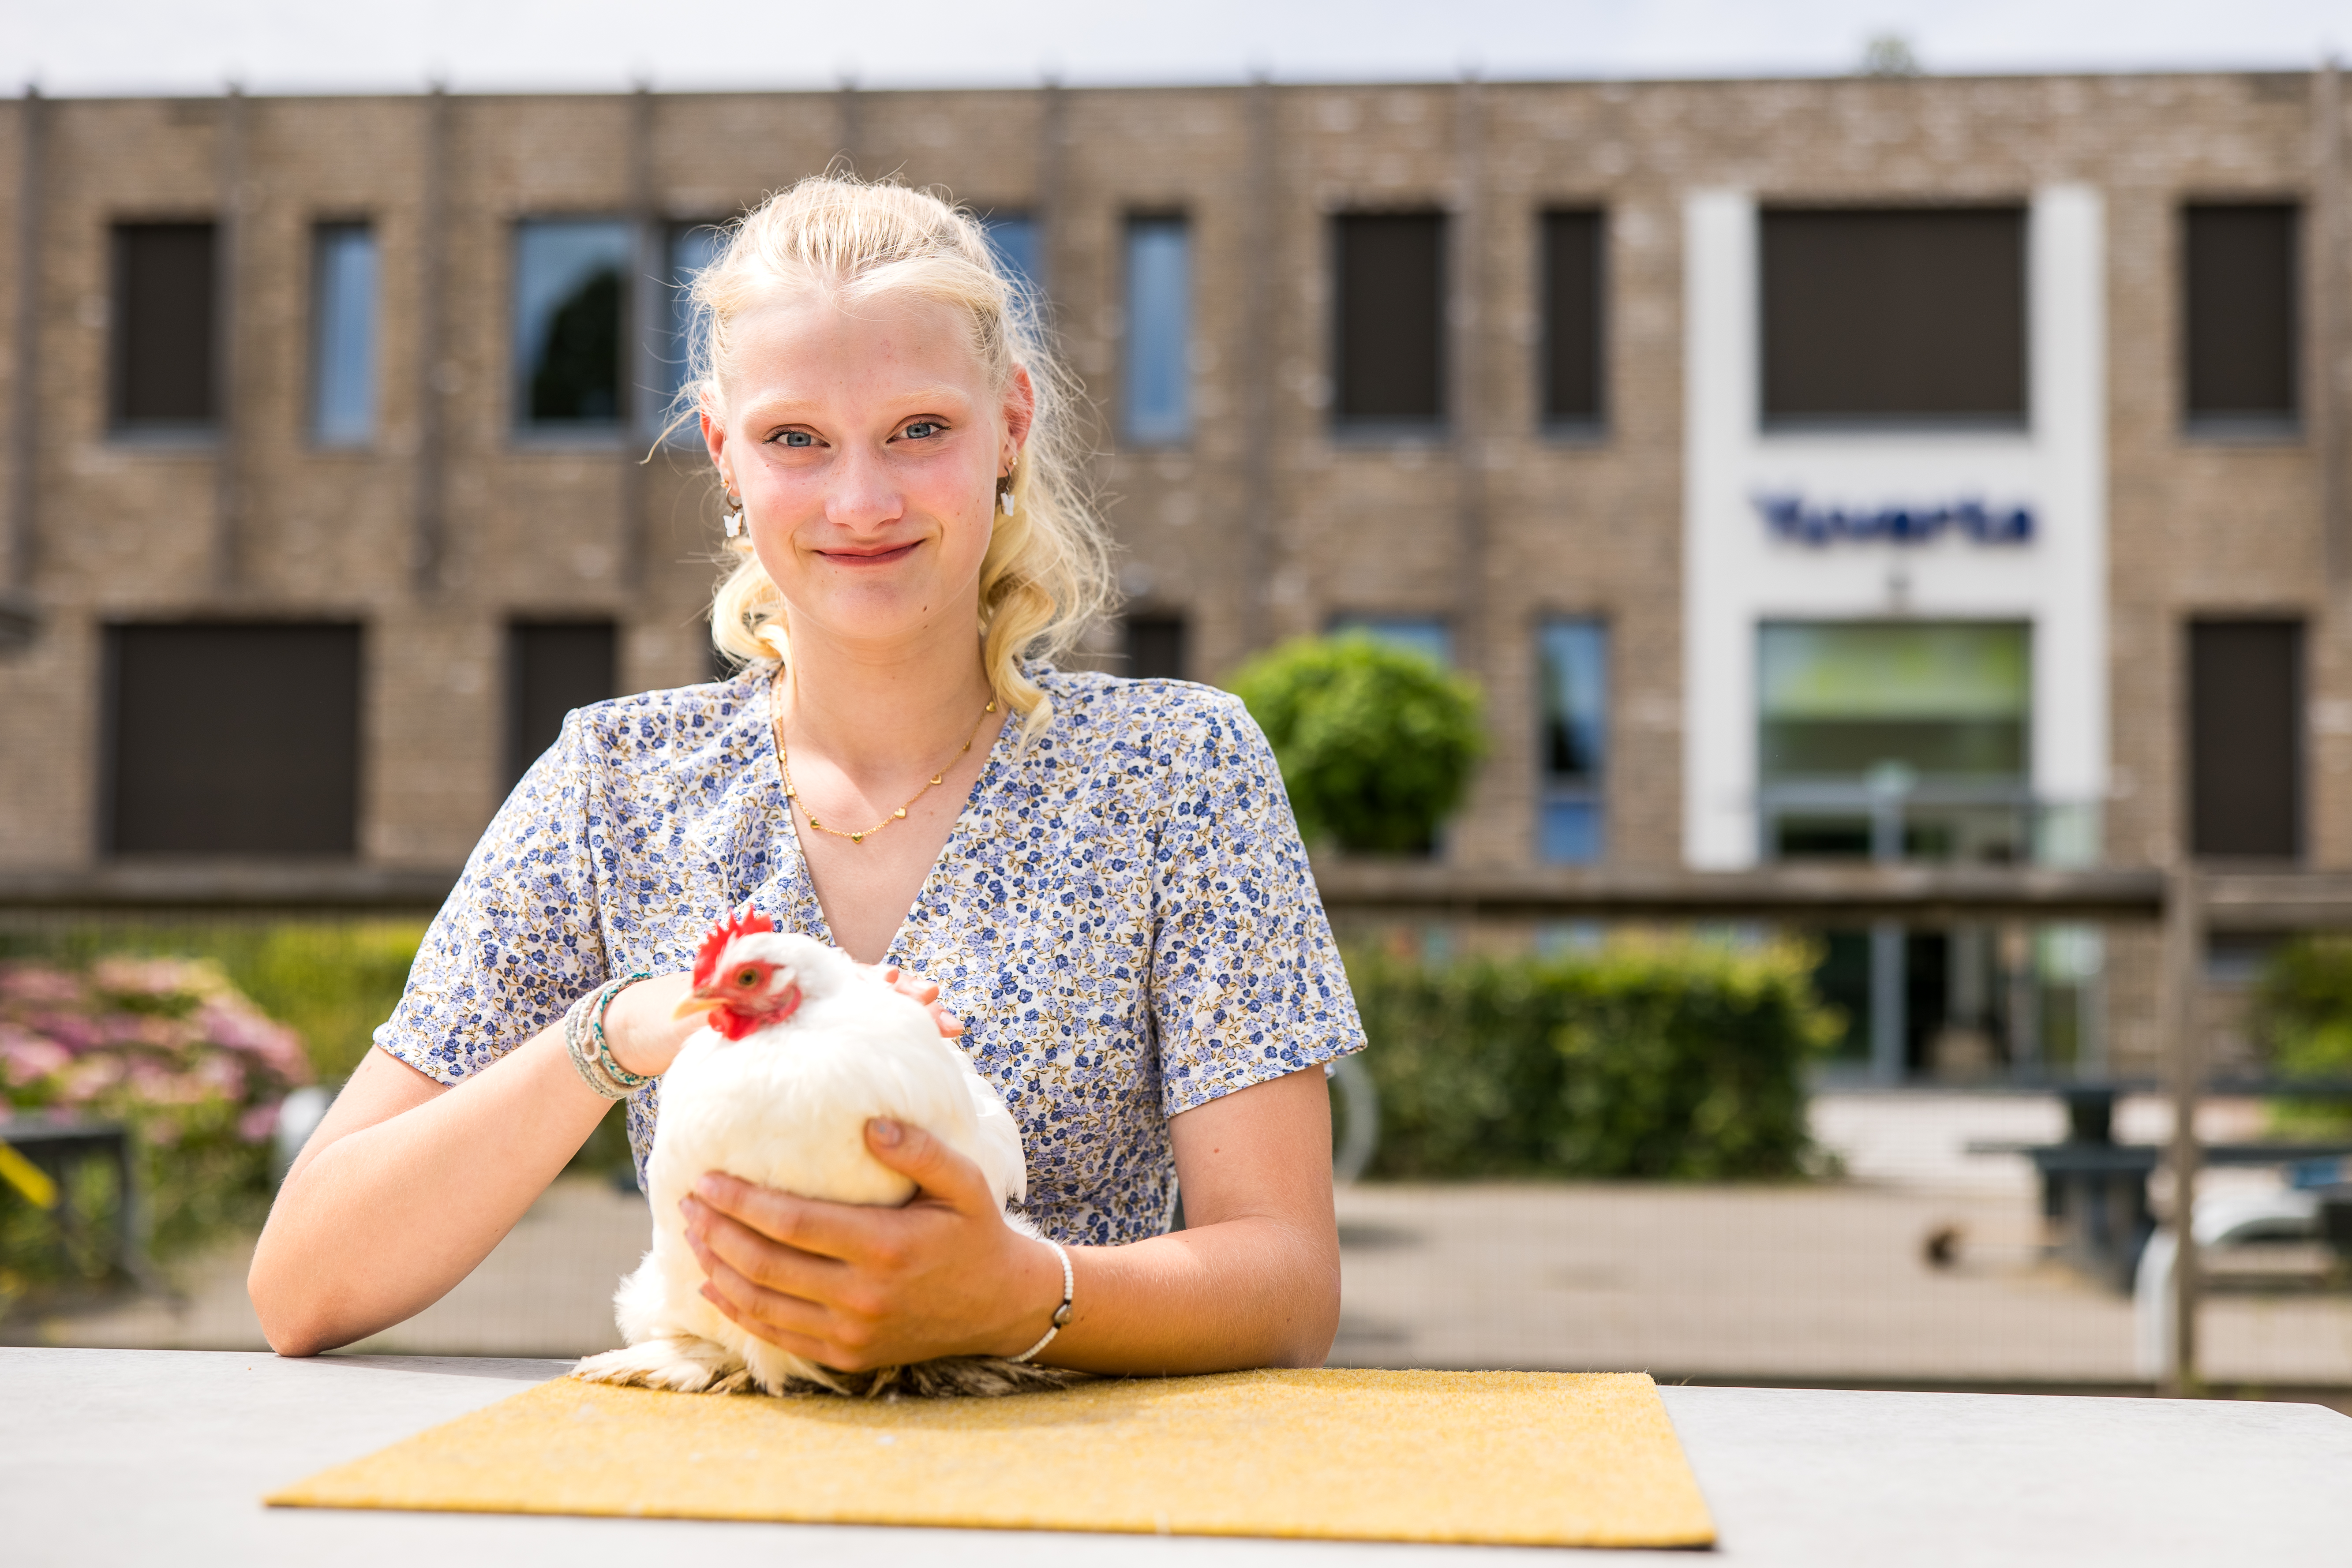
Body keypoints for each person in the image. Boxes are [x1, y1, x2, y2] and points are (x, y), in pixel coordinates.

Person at [248, 175, 1365, 1377]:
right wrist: (615, 1031)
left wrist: (1024, 1294)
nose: (861, 500)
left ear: (1010, 426)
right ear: (724, 452)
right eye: (796, 440)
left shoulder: (1179, 771)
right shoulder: (612, 785)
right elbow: (304, 1282)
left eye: (918, 430)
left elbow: (1287, 1283)